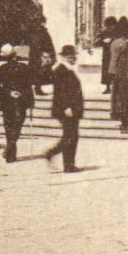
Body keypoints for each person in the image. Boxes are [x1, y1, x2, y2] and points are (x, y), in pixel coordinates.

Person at [42, 45, 84, 173]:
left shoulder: (69, 69)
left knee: (71, 136)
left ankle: (68, 164)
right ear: (65, 57)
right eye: (71, 57)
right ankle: (55, 155)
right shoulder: (61, 70)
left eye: (74, 56)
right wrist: (67, 107)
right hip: (66, 109)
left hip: (72, 109)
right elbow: (61, 91)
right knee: (70, 136)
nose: (74, 59)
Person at [0, 44, 34, 162]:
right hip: (17, 101)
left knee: (9, 127)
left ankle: (10, 150)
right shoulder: (22, 67)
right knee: (16, 127)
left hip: (9, 101)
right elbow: (29, 86)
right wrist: (30, 101)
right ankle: (10, 150)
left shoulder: (2, 69)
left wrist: (7, 93)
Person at [98, 15, 120, 94]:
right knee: (106, 70)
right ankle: (108, 87)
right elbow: (97, 42)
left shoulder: (117, 32)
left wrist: (112, 40)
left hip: (114, 54)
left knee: (114, 71)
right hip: (107, 54)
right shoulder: (104, 32)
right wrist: (103, 41)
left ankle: (114, 87)